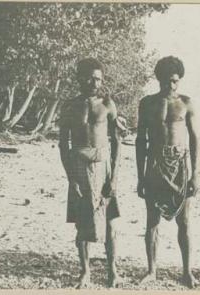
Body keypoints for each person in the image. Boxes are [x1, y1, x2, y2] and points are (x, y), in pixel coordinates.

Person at [135, 56, 199, 288]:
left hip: (180, 165)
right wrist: (140, 176)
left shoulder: (186, 103)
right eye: (165, 81)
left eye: (174, 81)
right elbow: (141, 140)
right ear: (158, 79)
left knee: (184, 220)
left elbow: (194, 140)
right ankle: (152, 270)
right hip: (155, 164)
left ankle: (187, 271)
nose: (170, 86)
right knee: (152, 220)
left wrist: (194, 175)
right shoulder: (147, 103)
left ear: (179, 80)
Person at [58, 58, 122, 288]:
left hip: (103, 167)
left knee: (110, 223)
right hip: (79, 167)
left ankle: (112, 271)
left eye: (99, 79)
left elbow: (116, 142)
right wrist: (71, 177)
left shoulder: (107, 104)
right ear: (80, 78)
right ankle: (85, 272)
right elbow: (63, 144)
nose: (95, 83)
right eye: (90, 78)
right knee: (82, 223)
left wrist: (113, 178)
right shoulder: (70, 106)